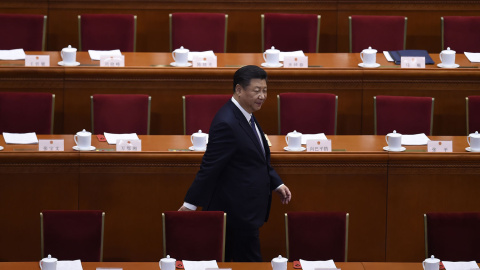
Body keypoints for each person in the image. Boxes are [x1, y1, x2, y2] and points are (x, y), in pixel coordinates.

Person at [178, 65, 292, 262]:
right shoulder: (227, 122)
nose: (262, 96)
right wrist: (190, 204)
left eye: (265, 90)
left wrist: (276, 183)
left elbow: (256, 156)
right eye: (257, 90)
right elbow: (210, 167)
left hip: (246, 211)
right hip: (236, 213)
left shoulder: (245, 115)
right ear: (239, 90)